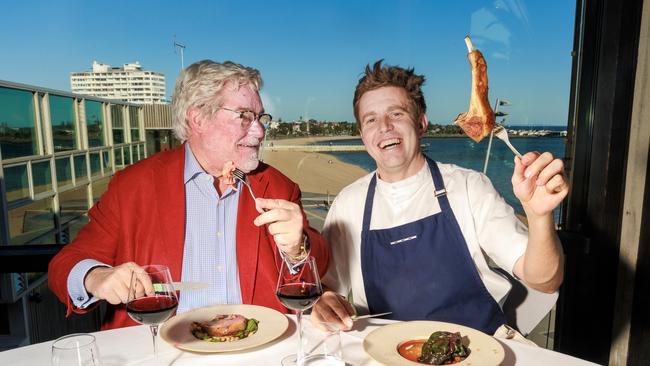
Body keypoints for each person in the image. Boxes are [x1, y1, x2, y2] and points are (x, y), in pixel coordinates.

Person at [48, 60, 329, 329]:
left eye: (260, 117)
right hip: (158, 350)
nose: (259, 130)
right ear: (197, 119)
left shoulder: (278, 186)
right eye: (244, 116)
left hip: (256, 349)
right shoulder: (132, 186)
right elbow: (65, 265)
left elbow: (320, 266)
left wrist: (299, 247)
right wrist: (96, 277)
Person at [311, 60, 566, 335]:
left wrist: (539, 216)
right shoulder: (349, 204)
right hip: (382, 355)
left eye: (396, 114)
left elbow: (544, 281)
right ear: (363, 136)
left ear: (421, 123)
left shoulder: (469, 187)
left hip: (478, 352)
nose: (384, 126)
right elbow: (326, 289)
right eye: (371, 119)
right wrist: (323, 302)